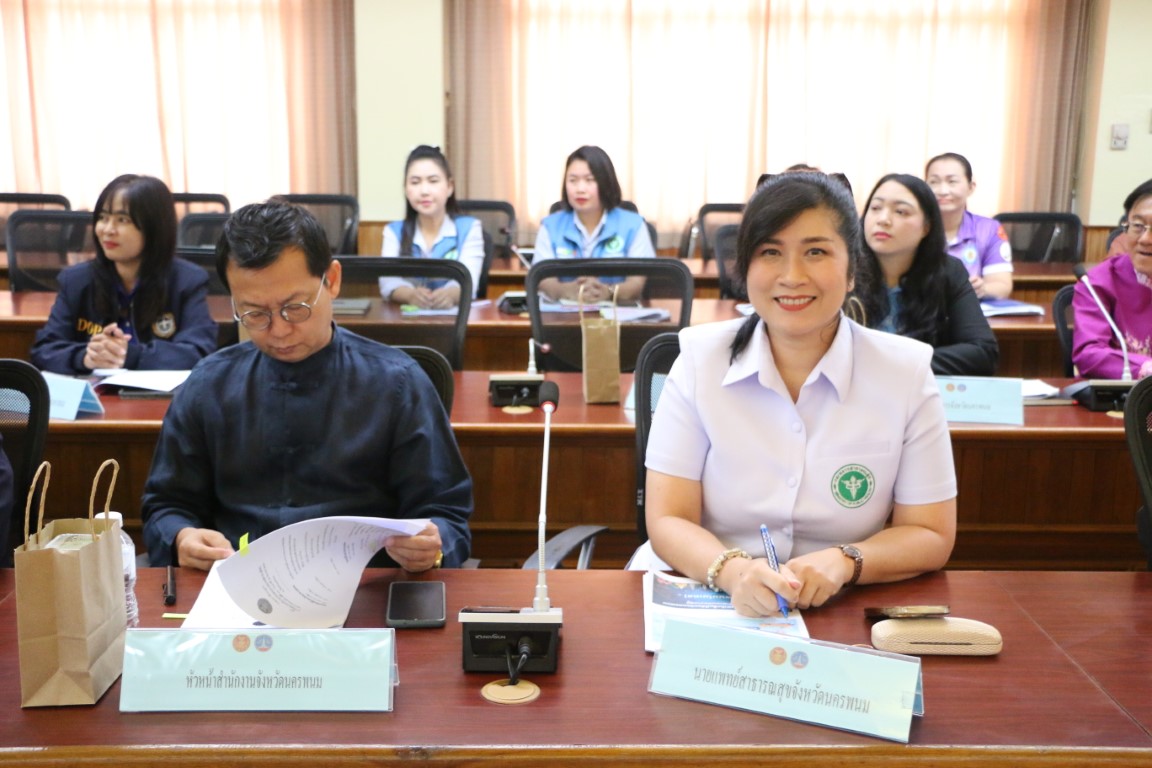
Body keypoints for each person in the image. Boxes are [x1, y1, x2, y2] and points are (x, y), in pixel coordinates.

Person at [642, 172, 957, 616]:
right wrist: (733, 573)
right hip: (708, 593)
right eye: (770, 252)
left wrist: (846, 561)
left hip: (843, 605)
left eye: (816, 252)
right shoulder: (699, 360)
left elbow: (930, 534)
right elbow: (668, 518)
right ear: (745, 268)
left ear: (852, 271)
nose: (792, 276)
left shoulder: (904, 373)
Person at [141, 201, 473, 571]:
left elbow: (446, 514)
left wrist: (431, 546)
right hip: (240, 582)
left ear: (332, 280)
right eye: (255, 313)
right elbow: (166, 505)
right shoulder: (209, 385)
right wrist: (182, 537)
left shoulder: (398, 384)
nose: (280, 330)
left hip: (367, 585)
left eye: (295, 307)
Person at [30, 174, 217, 374]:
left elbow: (199, 352)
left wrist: (129, 355)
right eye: (103, 218)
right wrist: (85, 357)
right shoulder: (76, 280)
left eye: (122, 220)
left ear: (154, 227)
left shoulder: (186, 281)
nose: (108, 230)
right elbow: (44, 350)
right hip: (92, 391)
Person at [853, 173, 999, 376]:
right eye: (876, 208)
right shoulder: (843, 272)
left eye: (901, 211)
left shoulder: (948, 271)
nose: (883, 219)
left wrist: (900, 363)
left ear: (926, 227)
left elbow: (983, 352)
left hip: (919, 390)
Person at [533, 145, 655, 303]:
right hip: (562, 313)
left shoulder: (634, 225)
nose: (580, 189)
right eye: (573, 180)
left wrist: (609, 291)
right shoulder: (550, 226)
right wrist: (568, 291)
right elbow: (543, 279)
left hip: (618, 313)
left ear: (606, 182)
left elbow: (637, 283)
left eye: (589, 180)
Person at [379, 145, 485, 308]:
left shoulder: (470, 228)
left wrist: (450, 294)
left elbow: (470, 279)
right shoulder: (393, 232)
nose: (424, 191)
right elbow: (387, 282)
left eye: (433, 181)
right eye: (415, 182)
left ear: (450, 186)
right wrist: (409, 295)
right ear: (406, 189)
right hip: (406, 319)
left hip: (456, 318)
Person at [1072, 178, 1152, 380]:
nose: (1145, 239)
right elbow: (1089, 354)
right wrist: (1147, 368)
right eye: (1138, 226)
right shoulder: (1098, 283)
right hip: (1122, 397)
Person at [924, 152, 1013, 299]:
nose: (942, 191)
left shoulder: (988, 229)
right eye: (934, 182)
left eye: (952, 181)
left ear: (971, 187)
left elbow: (1002, 286)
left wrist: (982, 288)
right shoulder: (910, 227)